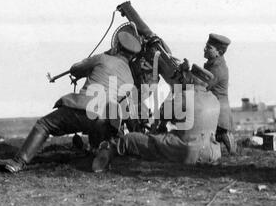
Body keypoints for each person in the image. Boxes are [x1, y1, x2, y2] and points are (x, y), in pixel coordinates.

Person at [0, 31, 142, 173]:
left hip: (84, 108)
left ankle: (18, 162)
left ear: (116, 46)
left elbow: (75, 69)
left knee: (44, 124)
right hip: (105, 119)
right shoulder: (130, 78)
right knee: (102, 128)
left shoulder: (103, 58)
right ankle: (99, 151)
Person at [93, 64, 222, 168]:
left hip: (187, 152)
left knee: (130, 139)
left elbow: (163, 113)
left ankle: (107, 151)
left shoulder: (184, 96)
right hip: (212, 154)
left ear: (192, 79)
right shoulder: (214, 99)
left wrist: (175, 88)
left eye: (187, 76)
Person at [203, 33, 236, 154]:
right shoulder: (215, 64)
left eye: (209, 47)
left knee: (222, 134)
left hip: (218, 111)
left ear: (219, 52)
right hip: (218, 108)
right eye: (206, 46)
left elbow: (203, 85)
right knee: (221, 134)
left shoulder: (217, 68)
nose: (205, 49)